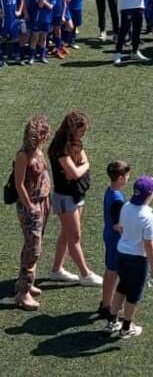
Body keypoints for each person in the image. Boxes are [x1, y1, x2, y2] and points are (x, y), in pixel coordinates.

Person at [48, 109, 102, 285]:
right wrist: (85, 165)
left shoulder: (74, 142)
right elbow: (74, 173)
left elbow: (82, 164)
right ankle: (85, 274)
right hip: (65, 197)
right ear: (72, 128)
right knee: (74, 237)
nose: (84, 133)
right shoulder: (60, 147)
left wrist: (83, 165)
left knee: (66, 233)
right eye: (82, 130)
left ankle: (56, 270)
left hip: (76, 195)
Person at [104, 175, 153, 339]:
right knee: (133, 295)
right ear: (150, 194)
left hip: (122, 253)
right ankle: (127, 327)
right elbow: (149, 244)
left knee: (122, 287)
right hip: (137, 259)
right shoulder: (148, 217)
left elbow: (121, 228)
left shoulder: (126, 207)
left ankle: (112, 322)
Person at [13, 115, 52, 310]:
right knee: (33, 250)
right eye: (44, 134)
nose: (47, 137)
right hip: (32, 207)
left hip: (43, 202)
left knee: (32, 246)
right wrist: (30, 207)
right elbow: (19, 184)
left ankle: (24, 283)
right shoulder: (23, 155)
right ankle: (23, 294)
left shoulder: (38, 150)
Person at [99, 160, 131, 319]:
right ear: (120, 178)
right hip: (116, 240)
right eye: (126, 175)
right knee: (114, 272)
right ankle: (108, 306)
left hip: (109, 237)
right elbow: (118, 226)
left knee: (110, 271)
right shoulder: (117, 199)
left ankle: (105, 302)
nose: (128, 178)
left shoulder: (109, 191)